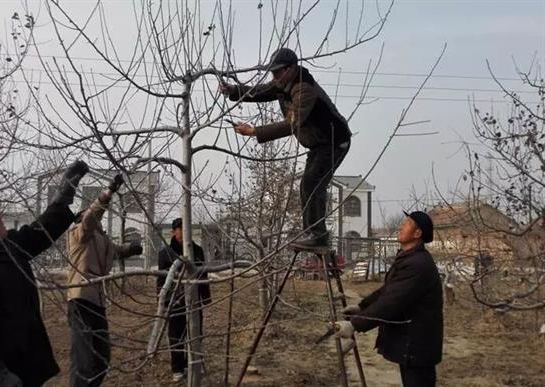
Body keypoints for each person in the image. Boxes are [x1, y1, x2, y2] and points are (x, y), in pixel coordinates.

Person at [0, 160, 89, 387]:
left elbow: (36, 235)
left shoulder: (3, 247)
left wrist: (62, 199)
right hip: (6, 374)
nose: (0, 217)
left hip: (25, 363)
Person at [219, 47, 352, 249]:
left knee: (312, 182)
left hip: (335, 142)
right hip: (318, 143)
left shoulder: (304, 89)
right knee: (307, 185)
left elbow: (291, 123)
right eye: (273, 73)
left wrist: (255, 131)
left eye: (278, 72)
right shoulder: (283, 82)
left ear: (291, 69)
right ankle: (314, 234)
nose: (275, 77)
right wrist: (234, 91)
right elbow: (260, 91)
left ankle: (318, 235)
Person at [334, 211, 443, 387]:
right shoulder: (409, 259)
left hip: (417, 344)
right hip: (412, 342)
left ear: (417, 233)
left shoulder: (418, 265)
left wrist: (355, 324)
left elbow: (392, 302)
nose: (401, 226)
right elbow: (388, 290)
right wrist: (362, 307)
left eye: (406, 224)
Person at [66, 173, 143, 387]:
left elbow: (115, 251)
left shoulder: (101, 239)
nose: (96, 219)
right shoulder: (79, 233)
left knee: (102, 359)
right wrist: (108, 193)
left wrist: (130, 249)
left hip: (97, 301)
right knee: (82, 361)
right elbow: (91, 218)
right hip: (80, 299)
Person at [156, 217, 211, 382]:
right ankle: (178, 367)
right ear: (173, 231)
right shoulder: (165, 253)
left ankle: (194, 363)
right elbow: (161, 279)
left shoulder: (198, 250)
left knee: (195, 331)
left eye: (185, 228)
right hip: (175, 300)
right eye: (179, 228)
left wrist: (206, 297)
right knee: (176, 334)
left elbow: (203, 274)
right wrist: (163, 300)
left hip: (194, 299)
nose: (182, 231)